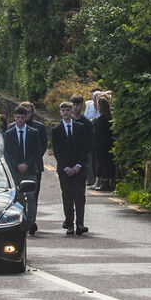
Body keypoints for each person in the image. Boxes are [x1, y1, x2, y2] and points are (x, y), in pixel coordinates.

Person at [51, 101, 90, 236]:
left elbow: (84, 148)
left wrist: (78, 165)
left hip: (79, 168)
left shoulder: (81, 127)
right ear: (60, 113)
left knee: (79, 196)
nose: (66, 112)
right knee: (67, 196)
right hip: (65, 169)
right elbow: (57, 151)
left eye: (68, 110)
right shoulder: (56, 130)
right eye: (63, 110)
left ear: (72, 112)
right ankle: (69, 223)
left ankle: (80, 223)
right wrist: (66, 167)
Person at [4, 107, 40, 235]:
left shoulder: (33, 132)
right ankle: (20, 223)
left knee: (31, 197)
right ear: (14, 117)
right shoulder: (9, 134)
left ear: (26, 118)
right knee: (18, 198)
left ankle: (31, 223)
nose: (20, 120)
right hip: (15, 170)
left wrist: (27, 164)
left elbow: (37, 151)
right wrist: (17, 165)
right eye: (17, 117)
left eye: (22, 117)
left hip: (30, 169)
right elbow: (7, 153)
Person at [91, 95, 115, 191]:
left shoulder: (101, 120)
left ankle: (105, 183)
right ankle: (109, 182)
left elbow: (98, 134)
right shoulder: (109, 118)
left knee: (103, 164)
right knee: (108, 164)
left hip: (101, 146)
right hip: (109, 144)